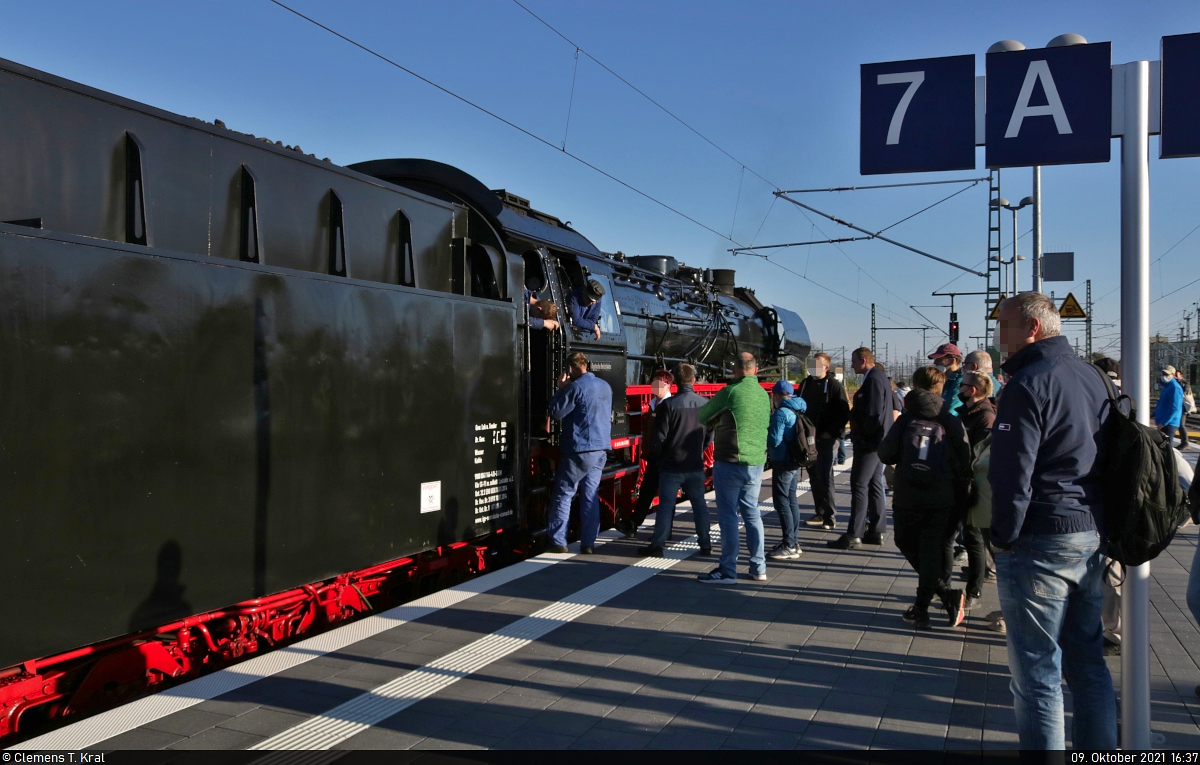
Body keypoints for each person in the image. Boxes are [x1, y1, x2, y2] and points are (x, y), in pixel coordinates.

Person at [989, 292, 1117, 751]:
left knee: (1038, 673)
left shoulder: (1027, 384)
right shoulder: (1093, 376)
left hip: (1041, 538)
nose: (998, 335)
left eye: (1004, 325)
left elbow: (1012, 474)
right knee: (1088, 664)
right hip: (1090, 532)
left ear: (1032, 328)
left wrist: (1003, 536)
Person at [879, 365, 971, 630]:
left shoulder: (906, 420)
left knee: (905, 542)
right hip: (942, 497)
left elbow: (886, 454)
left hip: (908, 495)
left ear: (917, 387)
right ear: (940, 389)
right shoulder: (950, 420)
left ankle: (929, 603)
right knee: (931, 550)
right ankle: (935, 599)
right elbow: (965, 460)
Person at [696, 352, 771, 584]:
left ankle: (728, 570)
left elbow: (703, 416)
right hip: (756, 463)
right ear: (755, 370)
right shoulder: (763, 394)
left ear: (734, 370)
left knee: (728, 516)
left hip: (730, 461)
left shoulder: (730, 392)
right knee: (752, 513)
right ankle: (759, 567)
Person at [642, 364, 713, 557]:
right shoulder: (706, 404)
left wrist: (661, 456)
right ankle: (705, 544)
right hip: (694, 464)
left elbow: (659, 438)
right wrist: (699, 450)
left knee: (666, 506)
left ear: (676, 383)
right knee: (699, 505)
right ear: (694, 381)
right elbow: (710, 435)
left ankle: (658, 544)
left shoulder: (668, 405)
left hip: (671, 465)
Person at [546, 351, 613, 554]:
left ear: (571, 368)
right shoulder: (605, 385)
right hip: (601, 448)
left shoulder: (575, 387)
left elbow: (556, 412)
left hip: (580, 448)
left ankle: (558, 541)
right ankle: (589, 543)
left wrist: (561, 389)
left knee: (564, 493)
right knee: (590, 495)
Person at [829, 347, 891, 549]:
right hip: (879, 442)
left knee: (859, 484)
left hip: (870, 443)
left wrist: (862, 438)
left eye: (854, 361)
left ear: (864, 361)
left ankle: (855, 533)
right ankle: (876, 531)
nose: (852, 365)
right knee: (874, 484)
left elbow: (873, 414)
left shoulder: (873, 380)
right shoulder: (879, 378)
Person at [958, 371, 997, 610]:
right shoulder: (969, 414)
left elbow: (979, 454)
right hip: (964, 482)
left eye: (962, 386)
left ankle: (974, 591)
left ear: (972, 390)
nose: (958, 390)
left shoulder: (985, 418)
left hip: (975, 485)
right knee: (969, 537)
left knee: (975, 539)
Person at [618, 369, 672, 538]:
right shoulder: (654, 404)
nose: (654, 387)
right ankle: (633, 524)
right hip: (653, 456)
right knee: (647, 491)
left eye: (658, 383)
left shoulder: (669, 406)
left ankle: (664, 532)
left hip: (665, 457)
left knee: (666, 495)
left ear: (668, 385)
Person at [799, 352, 849, 530]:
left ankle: (830, 515)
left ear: (826, 367)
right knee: (813, 475)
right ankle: (819, 512)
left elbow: (843, 412)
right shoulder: (805, 384)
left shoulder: (833, 385)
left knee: (825, 475)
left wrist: (832, 433)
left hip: (827, 438)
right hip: (809, 438)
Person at [766, 380, 808, 560]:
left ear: (776, 395)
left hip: (782, 461)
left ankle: (789, 544)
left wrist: (766, 441)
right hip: (794, 461)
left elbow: (775, 440)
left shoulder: (781, 413)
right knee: (791, 500)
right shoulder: (798, 408)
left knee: (781, 502)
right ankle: (794, 542)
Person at [928, 343, 965, 416]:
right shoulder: (944, 380)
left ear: (952, 361)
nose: (935, 362)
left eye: (939, 359)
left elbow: (952, 409)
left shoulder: (960, 381)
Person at [1155, 364, 1184, 449]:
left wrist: (1164, 422)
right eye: (1163, 374)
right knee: (1162, 447)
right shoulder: (1166, 387)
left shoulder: (1175, 388)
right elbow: (1163, 403)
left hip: (1169, 423)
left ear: (1173, 375)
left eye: (1167, 374)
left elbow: (1174, 408)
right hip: (1164, 422)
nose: (1164, 376)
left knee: (1166, 448)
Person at [1176, 368, 1193, 448]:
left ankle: (1185, 442)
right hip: (1178, 406)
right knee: (1180, 425)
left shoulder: (1185, 383)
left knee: (1181, 425)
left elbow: (1185, 391)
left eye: (1177, 375)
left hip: (1183, 407)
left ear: (1181, 375)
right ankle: (1183, 442)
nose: (1175, 377)